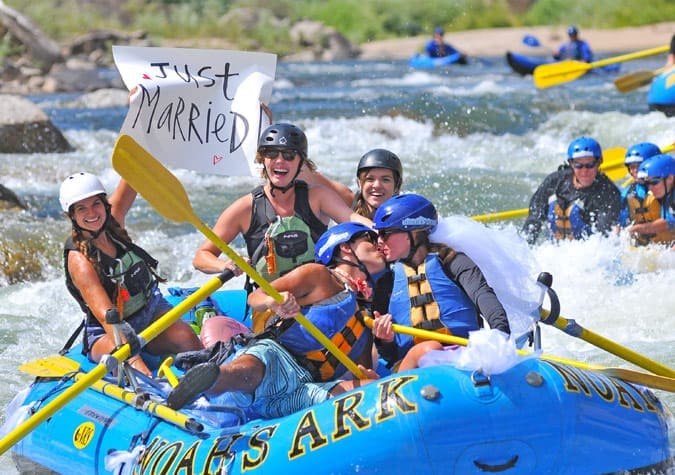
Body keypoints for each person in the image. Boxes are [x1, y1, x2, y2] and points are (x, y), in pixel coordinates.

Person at [166, 222, 384, 414]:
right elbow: (255, 296)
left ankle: (213, 382)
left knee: (372, 391)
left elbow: (355, 372)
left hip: (306, 388)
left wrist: (369, 376)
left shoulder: (363, 318)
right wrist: (274, 301)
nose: (379, 247)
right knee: (253, 371)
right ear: (345, 247)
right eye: (370, 242)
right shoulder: (319, 275)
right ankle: (208, 381)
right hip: (278, 357)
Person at [192, 123, 371, 327]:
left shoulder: (318, 197)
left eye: (289, 155)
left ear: (301, 163)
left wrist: (383, 230)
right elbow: (201, 257)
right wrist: (225, 265)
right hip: (271, 307)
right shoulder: (244, 208)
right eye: (272, 153)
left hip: (318, 299)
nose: (280, 160)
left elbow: (354, 221)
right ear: (262, 159)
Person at [59, 172, 203, 377]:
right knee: (131, 365)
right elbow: (106, 317)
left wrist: (148, 141)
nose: (91, 212)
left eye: (96, 204)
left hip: (149, 311)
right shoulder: (79, 260)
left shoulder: (113, 222)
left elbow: (135, 175)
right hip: (107, 330)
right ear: (72, 215)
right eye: (82, 208)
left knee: (186, 337)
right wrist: (134, 359)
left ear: (105, 204)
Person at [369, 193, 511, 370]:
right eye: (378, 236)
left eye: (385, 234)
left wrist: (500, 333)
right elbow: (389, 355)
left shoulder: (452, 261)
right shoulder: (386, 282)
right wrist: (386, 339)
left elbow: (483, 295)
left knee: (432, 349)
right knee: (430, 349)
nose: (379, 242)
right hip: (409, 368)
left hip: (462, 357)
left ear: (412, 233)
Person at [521, 136, 621, 245]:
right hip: (551, 252)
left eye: (590, 165)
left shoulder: (608, 192)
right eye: (578, 165)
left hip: (585, 253)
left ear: (599, 163)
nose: (584, 171)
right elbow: (533, 220)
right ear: (571, 164)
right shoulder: (555, 182)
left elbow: (603, 233)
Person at [617, 142, 662, 245]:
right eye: (632, 167)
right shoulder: (627, 193)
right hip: (644, 249)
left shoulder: (667, 188)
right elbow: (619, 223)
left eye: (640, 166)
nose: (636, 171)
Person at [628, 154, 675, 245]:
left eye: (654, 182)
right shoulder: (668, 194)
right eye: (647, 183)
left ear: (670, 178)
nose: (650, 188)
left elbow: (669, 222)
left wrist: (641, 228)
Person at [352, 148, 403, 220]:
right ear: (359, 183)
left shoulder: (407, 217)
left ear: (397, 185)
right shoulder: (347, 204)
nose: (377, 185)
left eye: (385, 180)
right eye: (370, 179)